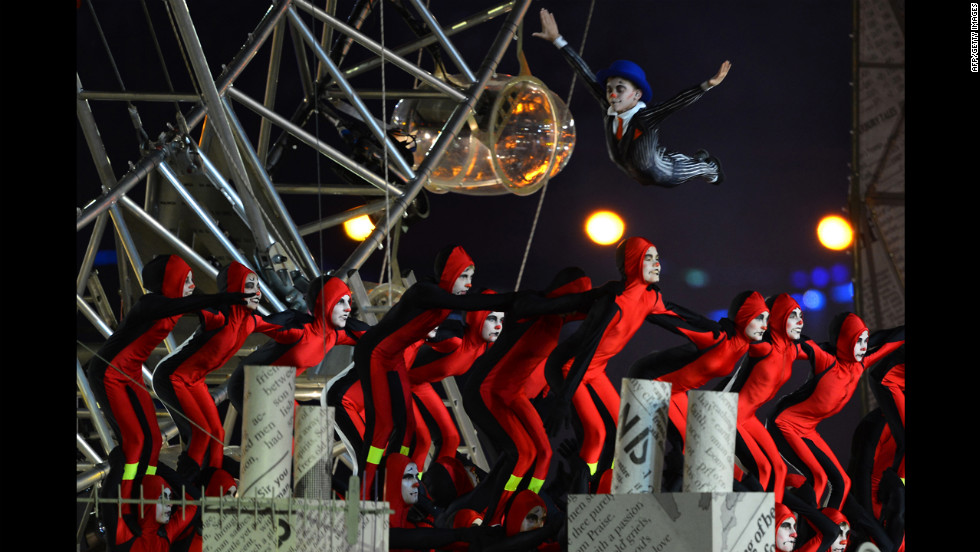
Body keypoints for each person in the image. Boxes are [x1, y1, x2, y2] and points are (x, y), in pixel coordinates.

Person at [84, 254, 249, 545]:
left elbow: (202, 309)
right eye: (185, 279)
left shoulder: (174, 305)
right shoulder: (152, 304)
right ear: (169, 281)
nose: (191, 284)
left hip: (130, 371)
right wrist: (227, 296)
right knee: (135, 442)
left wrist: (229, 309)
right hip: (109, 372)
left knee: (154, 442)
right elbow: (187, 304)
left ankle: (144, 492)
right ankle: (126, 504)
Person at [353, 245, 514, 499]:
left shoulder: (478, 349)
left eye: (471, 278)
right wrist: (513, 301)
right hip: (387, 361)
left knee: (447, 436)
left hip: (407, 373)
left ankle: (415, 490)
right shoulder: (445, 323)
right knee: (387, 430)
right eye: (463, 276)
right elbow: (422, 331)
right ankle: (368, 492)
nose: (469, 284)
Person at [534, 8, 730, 188]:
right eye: (610, 88)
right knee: (663, 154)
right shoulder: (608, 107)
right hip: (637, 172)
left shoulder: (645, 117)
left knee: (697, 167)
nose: (612, 94)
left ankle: (708, 165)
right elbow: (585, 74)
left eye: (620, 89)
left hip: (666, 173)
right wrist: (557, 40)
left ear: (636, 95)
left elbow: (676, 102)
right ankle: (697, 158)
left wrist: (708, 85)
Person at [540, 237, 683, 483]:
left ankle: (608, 485)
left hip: (596, 369)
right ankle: (583, 491)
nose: (657, 264)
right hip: (569, 367)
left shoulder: (650, 298)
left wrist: (721, 333)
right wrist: (563, 398)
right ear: (632, 264)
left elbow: (679, 317)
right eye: (648, 258)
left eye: (657, 258)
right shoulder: (612, 304)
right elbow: (585, 352)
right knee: (596, 433)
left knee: (626, 433)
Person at [151, 261, 288, 486]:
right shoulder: (218, 316)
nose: (258, 292)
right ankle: (185, 490)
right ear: (235, 289)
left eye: (258, 286)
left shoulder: (249, 322)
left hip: (194, 381)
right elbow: (190, 305)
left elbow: (283, 326)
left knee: (217, 433)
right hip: (172, 377)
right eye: (250, 286)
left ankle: (211, 484)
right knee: (201, 433)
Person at [626, 290, 770, 490]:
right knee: (685, 448)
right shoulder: (717, 337)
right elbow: (675, 319)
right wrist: (644, 301)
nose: (765, 325)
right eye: (760, 318)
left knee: (698, 446)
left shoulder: (745, 346)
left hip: (677, 391)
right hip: (651, 380)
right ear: (744, 317)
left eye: (767, 319)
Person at [768, 312, 904, 510]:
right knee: (819, 479)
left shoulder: (861, 364)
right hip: (784, 424)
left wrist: (869, 339)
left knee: (842, 483)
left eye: (866, 341)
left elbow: (892, 340)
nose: (864, 348)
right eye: (858, 341)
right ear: (844, 340)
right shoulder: (825, 359)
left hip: (807, 430)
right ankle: (804, 528)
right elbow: (796, 346)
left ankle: (830, 528)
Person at [226, 274, 369, 414]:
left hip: (277, 390)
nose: (348, 308)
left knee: (312, 433)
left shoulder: (335, 335)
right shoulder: (299, 330)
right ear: (325, 302)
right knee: (295, 435)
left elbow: (375, 337)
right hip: (248, 385)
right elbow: (255, 323)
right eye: (340, 301)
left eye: (348, 301)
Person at [719, 293, 809, 504]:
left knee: (779, 468)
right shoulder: (763, 347)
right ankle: (752, 527)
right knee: (763, 469)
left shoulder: (792, 351)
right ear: (777, 319)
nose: (800, 321)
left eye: (800, 315)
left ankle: (775, 522)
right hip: (730, 416)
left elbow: (822, 351)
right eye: (792, 315)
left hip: (748, 418)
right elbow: (740, 334)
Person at [407, 294, 503, 471]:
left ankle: (430, 488)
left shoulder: (482, 348)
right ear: (478, 317)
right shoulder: (453, 339)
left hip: (418, 384)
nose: (498, 326)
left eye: (501, 320)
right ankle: (407, 489)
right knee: (421, 441)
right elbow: (409, 333)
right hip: (399, 380)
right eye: (491, 318)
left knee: (450, 438)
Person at [114, 473, 199, 552]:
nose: (170, 504)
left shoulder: (166, 533)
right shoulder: (124, 531)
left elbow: (195, 502)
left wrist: (162, 470)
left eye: (170, 498)